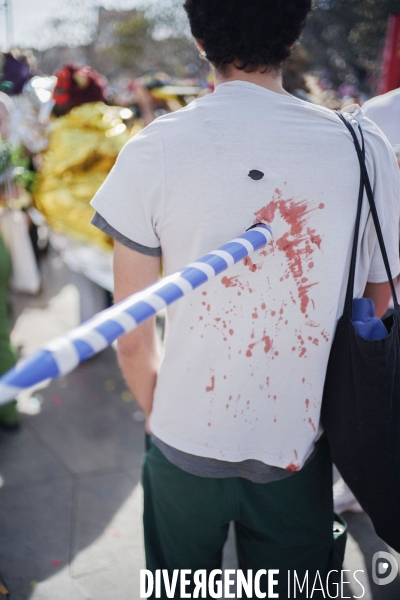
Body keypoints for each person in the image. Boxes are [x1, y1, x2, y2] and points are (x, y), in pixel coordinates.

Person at [90, 1, 400, 596]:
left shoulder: (152, 148)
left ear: (199, 37)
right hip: (299, 437)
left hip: (183, 434)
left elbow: (132, 332)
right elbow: (379, 298)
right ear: (294, 32)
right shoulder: (364, 146)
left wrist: (163, 417)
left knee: (183, 588)